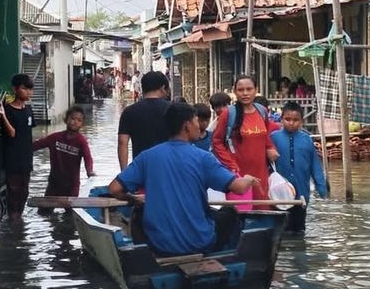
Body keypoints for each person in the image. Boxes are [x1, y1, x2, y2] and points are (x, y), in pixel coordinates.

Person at [109, 102, 258, 256]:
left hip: (159, 244)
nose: (199, 127)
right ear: (187, 125)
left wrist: (133, 199)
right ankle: (220, 255)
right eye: (195, 121)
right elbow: (239, 188)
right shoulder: (203, 158)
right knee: (229, 213)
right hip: (199, 243)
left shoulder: (147, 156)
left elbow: (114, 189)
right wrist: (249, 178)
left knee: (139, 211)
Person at [212, 75, 279, 198]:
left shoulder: (262, 111)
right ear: (234, 91)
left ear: (256, 90)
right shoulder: (228, 114)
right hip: (238, 175)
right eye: (241, 90)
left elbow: (265, 136)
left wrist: (271, 148)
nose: (245, 93)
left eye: (249, 89)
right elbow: (216, 141)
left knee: (262, 210)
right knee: (241, 212)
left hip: (261, 173)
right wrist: (231, 165)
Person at [271, 101, 329, 234]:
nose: (291, 123)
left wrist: (321, 187)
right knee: (281, 230)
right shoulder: (273, 138)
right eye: (287, 119)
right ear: (281, 119)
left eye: (295, 120)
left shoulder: (307, 140)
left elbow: (315, 165)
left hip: (301, 194)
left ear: (301, 121)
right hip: (279, 194)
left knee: (299, 230)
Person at [33, 106, 96, 205]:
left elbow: (88, 158)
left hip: (72, 185)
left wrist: (90, 171)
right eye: (72, 118)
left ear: (82, 124)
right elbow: (36, 145)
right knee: (44, 212)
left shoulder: (81, 141)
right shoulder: (55, 137)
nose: (75, 122)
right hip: (54, 183)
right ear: (66, 120)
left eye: (79, 120)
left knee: (70, 214)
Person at [0, 74, 35, 219]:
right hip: (13, 158)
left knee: (24, 191)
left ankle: (18, 217)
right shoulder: (8, 110)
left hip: (26, 158)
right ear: (15, 89)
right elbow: (12, 133)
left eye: (30, 89)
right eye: (25, 88)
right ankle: (14, 219)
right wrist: (3, 116)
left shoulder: (28, 110)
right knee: (13, 190)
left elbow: (29, 134)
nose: (28, 92)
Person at [118, 71, 171, 170]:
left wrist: (124, 174)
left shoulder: (129, 112)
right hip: (168, 168)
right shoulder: (173, 109)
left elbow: (122, 142)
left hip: (140, 169)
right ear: (163, 88)